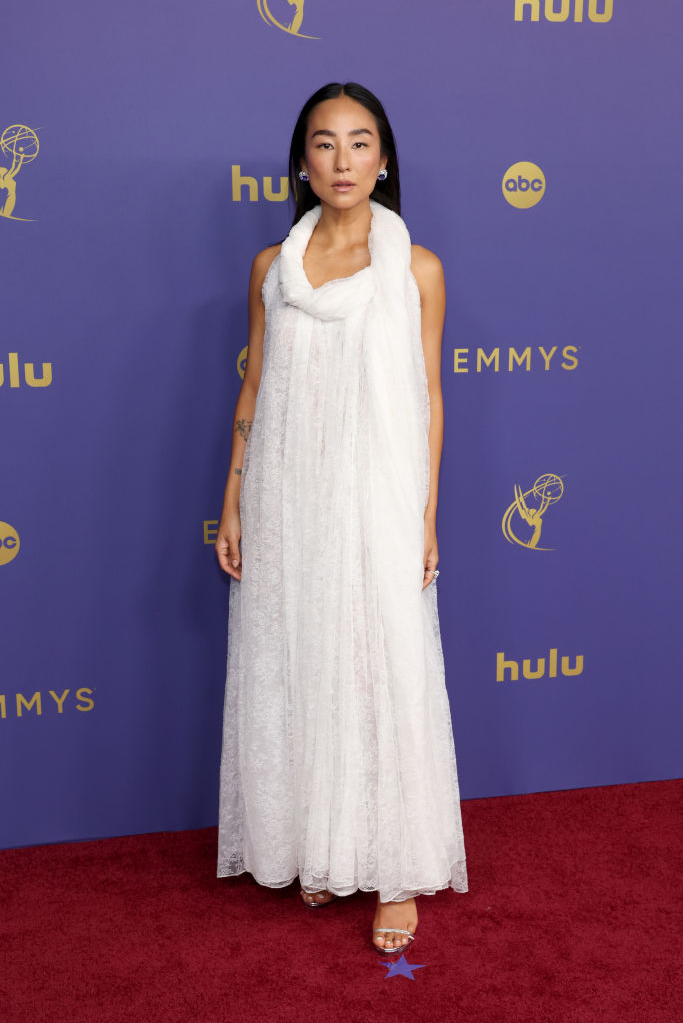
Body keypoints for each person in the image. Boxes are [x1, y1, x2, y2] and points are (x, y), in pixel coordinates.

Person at [215, 81, 468, 956]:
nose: (342, 160)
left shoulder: (417, 268)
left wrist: (426, 515)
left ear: (385, 159)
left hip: (378, 494)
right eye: (324, 144)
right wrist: (233, 501)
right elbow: (254, 386)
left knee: (379, 664)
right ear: (301, 162)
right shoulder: (270, 269)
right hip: (289, 492)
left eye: (360, 143)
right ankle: (323, 845)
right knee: (303, 657)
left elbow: (431, 399)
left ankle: (393, 873)